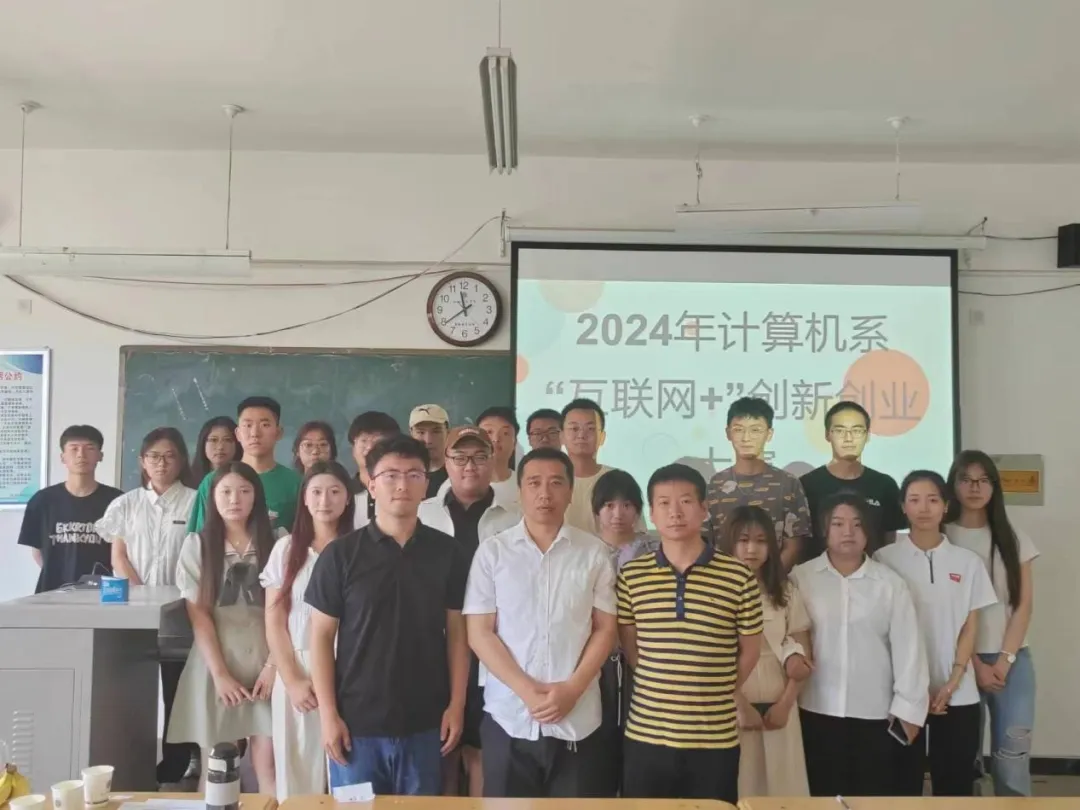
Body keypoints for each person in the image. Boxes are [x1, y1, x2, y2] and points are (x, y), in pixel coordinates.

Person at [306, 436, 469, 796]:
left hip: (426, 721)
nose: (402, 485)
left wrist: (456, 705)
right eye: (391, 475)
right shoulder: (340, 555)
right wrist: (328, 715)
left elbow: (458, 634)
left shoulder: (448, 553)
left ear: (426, 484)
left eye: (414, 475)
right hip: (356, 725)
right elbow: (320, 637)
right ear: (371, 484)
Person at [463, 447, 617, 798]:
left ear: (571, 491)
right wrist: (528, 691)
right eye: (534, 483)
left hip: (578, 720)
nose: (545, 493)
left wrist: (572, 689)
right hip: (509, 716)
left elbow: (605, 629)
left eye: (555, 483)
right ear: (520, 491)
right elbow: (480, 633)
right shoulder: (492, 552)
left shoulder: (593, 552)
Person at [618, 463, 763, 804]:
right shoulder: (632, 576)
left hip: (715, 741)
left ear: (704, 508)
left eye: (685, 501)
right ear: (652, 513)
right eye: (664, 503)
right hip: (646, 737)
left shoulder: (738, 576)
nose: (675, 512)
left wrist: (715, 686)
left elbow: (750, 651)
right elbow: (631, 648)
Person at [793, 492, 928, 798]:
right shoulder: (801, 578)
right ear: (824, 529)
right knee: (821, 796)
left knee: (871, 796)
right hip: (816, 708)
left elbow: (909, 649)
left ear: (868, 531)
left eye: (857, 524)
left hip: (874, 713)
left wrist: (908, 710)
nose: (848, 532)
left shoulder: (890, 584)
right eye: (838, 523)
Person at [877, 470, 996, 797]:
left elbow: (970, 626)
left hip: (958, 692)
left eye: (932, 500)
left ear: (945, 506)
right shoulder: (884, 559)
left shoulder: (967, 562)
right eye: (914, 500)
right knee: (902, 784)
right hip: (903, 693)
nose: (923, 508)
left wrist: (953, 681)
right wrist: (913, 687)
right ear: (903, 506)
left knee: (954, 785)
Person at [417, 425, 520, 797]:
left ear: (493, 461)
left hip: (492, 648)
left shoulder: (513, 518)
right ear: (445, 462)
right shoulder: (422, 513)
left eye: (479, 457)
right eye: (460, 457)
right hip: (431, 648)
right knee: (440, 747)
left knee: (479, 748)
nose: (469, 466)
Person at [94, 426, 198, 784]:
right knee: (134, 686)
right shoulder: (125, 504)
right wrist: (143, 598)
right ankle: (130, 759)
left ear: (181, 461)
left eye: (169, 456)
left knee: (176, 688)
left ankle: (177, 760)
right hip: (133, 613)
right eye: (154, 456)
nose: (161, 463)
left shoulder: (196, 501)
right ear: (142, 461)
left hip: (183, 611)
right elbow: (119, 556)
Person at [167, 462, 276, 794]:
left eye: (244, 491)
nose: (234, 499)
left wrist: (274, 666)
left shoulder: (278, 541)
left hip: (268, 661)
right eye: (225, 491)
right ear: (211, 497)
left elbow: (285, 611)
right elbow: (198, 614)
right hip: (217, 660)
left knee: (270, 764)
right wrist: (220, 674)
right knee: (218, 764)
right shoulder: (198, 545)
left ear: (256, 496)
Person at [261, 461, 356, 801]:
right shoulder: (286, 550)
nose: (324, 500)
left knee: (347, 768)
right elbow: (274, 621)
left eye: (334, 491)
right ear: (304, 498)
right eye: (316, 492)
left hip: (350, 669)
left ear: (348, 498)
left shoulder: (361, 548)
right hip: (298, 667)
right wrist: (292, 679)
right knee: (298, 774)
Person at [945, 450, 1038, 797]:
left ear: (994, 487)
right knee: (964, 758)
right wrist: (974, 664)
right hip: (959, 662)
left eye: (984, 480)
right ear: (953, 484)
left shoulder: (1013, 538)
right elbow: (944, 611)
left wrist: (1003, 660)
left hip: (1012, 660)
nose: (975, 487)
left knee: (1012, 757)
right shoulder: (942, 536)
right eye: (966, 479)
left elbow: (1023, 605)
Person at [721, 505, 812, 798]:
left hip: (780, 702)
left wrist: (785, 704)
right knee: (740, 784)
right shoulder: (716, 592)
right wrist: (738, 703)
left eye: (761, 541)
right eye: (743, 540)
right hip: (730, 706)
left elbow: (803, 654)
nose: (752, 549)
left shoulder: (785, 591)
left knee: (783, 785)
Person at [590, 469, 657, 797]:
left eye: (627, 505)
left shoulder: (655, 551)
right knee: (599, 743)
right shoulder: (584, 551)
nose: (618, 514)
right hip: (595, 662)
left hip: (645, 659)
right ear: (597, 510)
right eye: (609, 505)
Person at [706, 397, 810, 569]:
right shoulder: (716, 484)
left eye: (755, 430)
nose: (746, 438)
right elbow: (707, 541)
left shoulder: (787, 483)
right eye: (739, 430)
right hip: (725, 580)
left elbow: (794, 545)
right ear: (728, 433)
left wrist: (769, 580)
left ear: (769, 434)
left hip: (773, 580)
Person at [18, 425, 122, 593]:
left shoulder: (117, 501)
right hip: (52, 593)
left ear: (100, 456)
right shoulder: (42, 500)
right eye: (74, 449)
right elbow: (37, 552)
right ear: (63, 457)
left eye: (89, 448)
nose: (81, 455)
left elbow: (122, 553)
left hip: (104, 593)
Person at [799, 401, 904, 561]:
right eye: (840, 431)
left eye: (857, 430)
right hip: (817, 574)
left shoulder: (884, 485)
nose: (849, 438)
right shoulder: (806, 485)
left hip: (872, 572)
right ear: (827, 435)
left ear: (867, 435)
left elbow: (889, 538)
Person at [188, 397, 301, 536]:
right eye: (248, 425)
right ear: (238, 434)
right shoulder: (213, 481)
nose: (255, 433)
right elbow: (198, 540)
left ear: (278, 433)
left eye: (265, 425)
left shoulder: (295, 483)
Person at [560, 398, 625, 534]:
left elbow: (636, 535)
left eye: (590, 429)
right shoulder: (549, 481)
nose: (581, 435)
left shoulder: (619, 481)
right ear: (562, 436)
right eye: (574, 428)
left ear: (602, 437)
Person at [346, 411, 401, 528]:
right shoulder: (343, 492)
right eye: (364, 440)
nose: (370, 448)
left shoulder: (403, 490)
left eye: (378, 442)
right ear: (353, 448)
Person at [477, 406, 520, 508]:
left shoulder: (525, 485)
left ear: (515, 443)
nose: (496, 439)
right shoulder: (457, 486)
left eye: (505, 433)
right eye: (489, 432)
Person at [410, 404, 451, 498]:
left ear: (447, 432)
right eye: (421, 432)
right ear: (411, 433)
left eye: (436, 432)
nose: (428, 440)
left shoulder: (459, 474)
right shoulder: (404, 477)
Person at [191, 416, 242, 481]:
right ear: (203, 443)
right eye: (213, 440)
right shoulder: (189, 480)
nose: (220, 447)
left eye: (227, 440)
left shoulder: (246, 478)